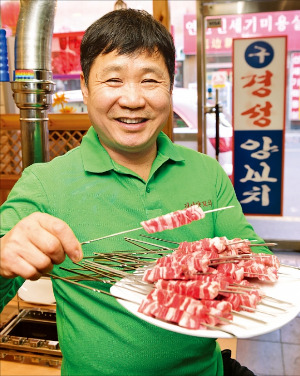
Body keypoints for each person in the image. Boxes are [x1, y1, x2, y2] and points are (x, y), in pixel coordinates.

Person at [0, 9, 266, 376]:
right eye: (113, 79)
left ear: (170, 85)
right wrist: (1, 259)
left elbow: (253, 257)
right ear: (84, 86)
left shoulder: (205, 172)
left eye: (150, 80)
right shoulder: (44, 183)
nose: (132, 99)